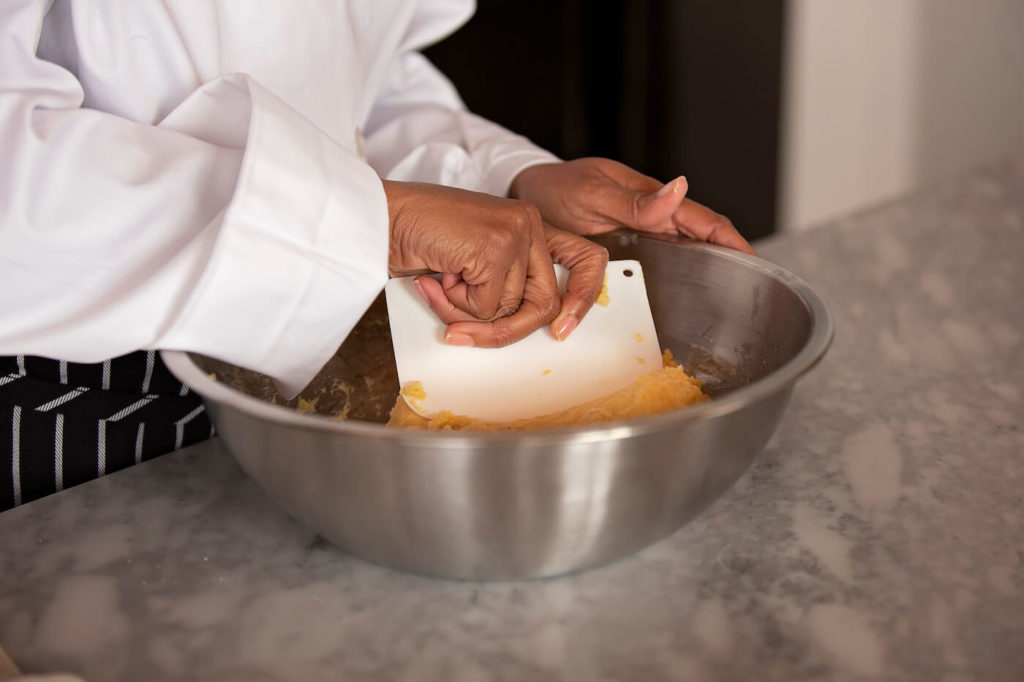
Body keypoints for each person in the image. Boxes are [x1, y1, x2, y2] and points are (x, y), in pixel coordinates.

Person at [0, 0, 753, 512]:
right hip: (71, 403)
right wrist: (377, 223)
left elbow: (358, 87)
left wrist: (501, 179)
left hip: (294, 426)